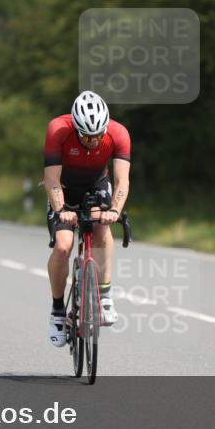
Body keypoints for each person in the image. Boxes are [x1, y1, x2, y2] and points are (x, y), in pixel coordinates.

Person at [43, 91, 130, 347]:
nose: (92, 141)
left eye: (97, 135)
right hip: (64, 187)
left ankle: (104, 295)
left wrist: (114, 209)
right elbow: (51, 178)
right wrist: (61, 209)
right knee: (63, 245)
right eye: (86, 136)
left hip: (96, 185)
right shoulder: (58, 129)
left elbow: (122, 180)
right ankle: (58, 311)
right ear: (76, 127)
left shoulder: (119, 133)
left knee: (102, 226)